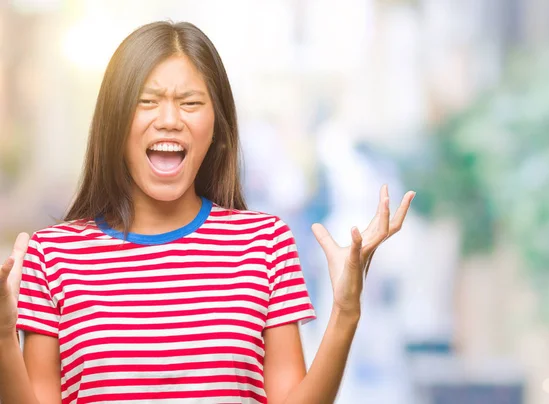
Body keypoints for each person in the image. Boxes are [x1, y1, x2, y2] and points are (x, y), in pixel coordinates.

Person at [0, 21, 415, 404]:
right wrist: (3, 335)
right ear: (114, 122)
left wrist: (345, 311)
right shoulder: (52, 256)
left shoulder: (264, 244)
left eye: (190, 102)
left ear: (216, 126)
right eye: (147, 100)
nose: (169, 120)